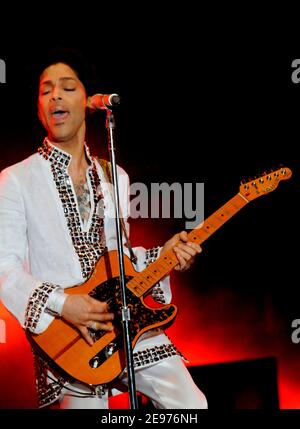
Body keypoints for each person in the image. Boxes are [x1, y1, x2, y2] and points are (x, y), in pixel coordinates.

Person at [0, 48, 207, 410]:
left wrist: (164, 255)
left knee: (190, 404)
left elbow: (117, 258)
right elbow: (4, 269)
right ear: (38, 108)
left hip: (125, 321)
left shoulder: (115, 176)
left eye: (67, 87)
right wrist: (65, 305)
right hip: (68, 338)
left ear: (89, 102)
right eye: (46, 90)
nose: (55, 97)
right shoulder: (16, 179)